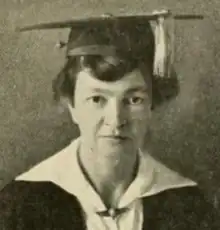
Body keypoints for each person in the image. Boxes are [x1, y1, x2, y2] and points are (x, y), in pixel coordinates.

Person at [0, 10, 219, 230]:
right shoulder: (19, 207)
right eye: (97, 99)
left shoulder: (189, 206)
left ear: (152, 105)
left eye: (134, 99)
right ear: (72, 106)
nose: (116, 120)